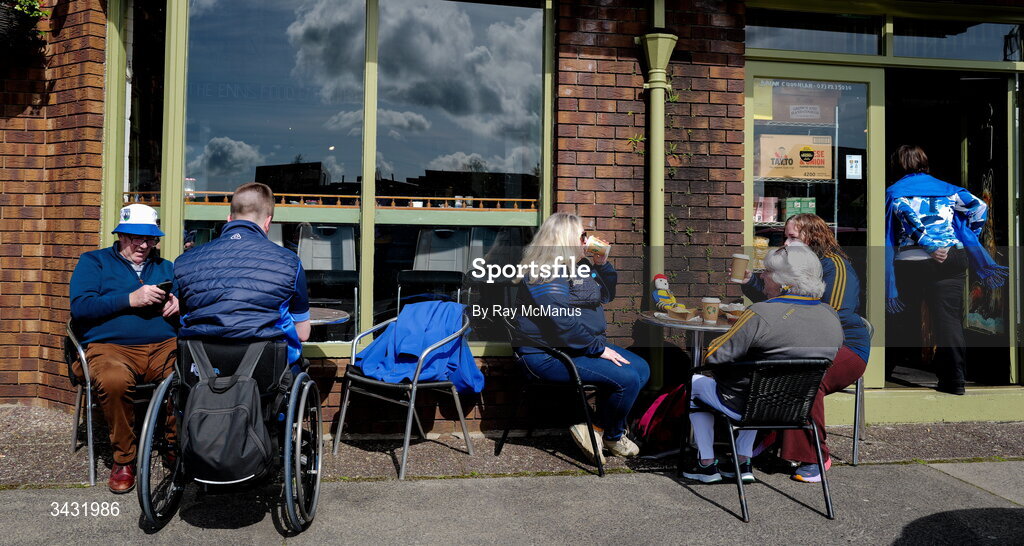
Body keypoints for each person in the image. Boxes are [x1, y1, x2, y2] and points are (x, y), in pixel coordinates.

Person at [684, 245, 843, 484]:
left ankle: (706, 463)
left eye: (767, 271)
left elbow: (715, 355)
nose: (761, 276)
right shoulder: (831, 316)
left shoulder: (759, 313)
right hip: (796, 407)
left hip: (743, 404)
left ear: (783, 281)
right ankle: (742, 459)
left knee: (695, 383)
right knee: (761, 389)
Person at [734, 213, 869, 483]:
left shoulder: (835, 265)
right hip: (804, 340)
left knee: (807, 378)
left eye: (793, 236)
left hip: (844, 344)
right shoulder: (793, 263)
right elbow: (776, 302)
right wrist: (751, 283)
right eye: (785, 236)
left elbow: (834, 315)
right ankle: (767, 438)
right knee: (770, 370)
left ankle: (816, 456)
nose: (786, 242)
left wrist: (792, 326)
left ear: (813, 235)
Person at [513, 212, 650, 465]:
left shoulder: (573, 268)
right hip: (546, 355)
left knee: (641, 368)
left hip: (573, 346)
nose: (586, 241)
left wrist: (602, 264)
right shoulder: (543, 273)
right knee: (628, 377)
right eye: (582, 236)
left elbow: (604, 295)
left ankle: (600, 431)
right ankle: (608, 433)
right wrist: (597, 348)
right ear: (566, 239)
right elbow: (561, 321)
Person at [69, 204, 179, 494]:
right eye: (135, 238)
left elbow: (187, 307)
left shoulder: (167, 267)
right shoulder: (94, 262)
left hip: (163, 345)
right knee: (113, 380)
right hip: (110, 347)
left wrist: (180, 304)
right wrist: (130, 299)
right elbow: (80, 307)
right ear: (120, 235)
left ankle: (174, 444)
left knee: (187, 374)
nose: (144, 245)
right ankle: (125, 459)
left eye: (151, 239)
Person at [885, 145, 1006, 395]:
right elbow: (979, 208)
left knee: (902, 319)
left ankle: (884, 374)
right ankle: (954, 382)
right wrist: (967, 235)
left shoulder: (896, 192)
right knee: (949, 321)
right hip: (953, 257)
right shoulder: (948, 190)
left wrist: (929, 245)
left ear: (897, 165)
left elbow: (906, 215)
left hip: (913, 262)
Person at [174, 182, 311, 364]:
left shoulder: (185, 261)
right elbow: (303, 334)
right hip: (266, 373)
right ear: (268, 222)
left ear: (229, 218)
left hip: (202, 368)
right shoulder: (289, 263)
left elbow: (183, 318)